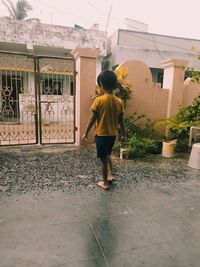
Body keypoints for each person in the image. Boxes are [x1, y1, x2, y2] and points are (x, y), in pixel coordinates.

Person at [82, 70, 126, 190]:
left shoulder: (99, 100)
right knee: (107, 155)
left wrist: (85, 133)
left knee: (103, 160)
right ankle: (111, 175)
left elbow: (92, 118)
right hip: (112, 135)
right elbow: (122, 120)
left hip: (101, 135)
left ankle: (105, 183)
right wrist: (124, 135)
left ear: (101, 84)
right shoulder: (119, 101)